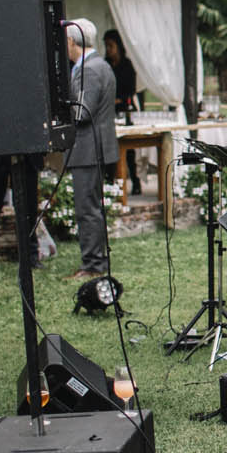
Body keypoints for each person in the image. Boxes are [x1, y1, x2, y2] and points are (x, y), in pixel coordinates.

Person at [63, 17, 118, 279]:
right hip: (94, 147)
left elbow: (82, 112)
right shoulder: (98, 65)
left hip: (88, 148)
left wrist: (62, 108)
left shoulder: (90, 69)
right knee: (91, 206)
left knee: (87, 208)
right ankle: (96, 259)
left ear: (72, 41)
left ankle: (93, 264)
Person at [102, 28, 142, 193]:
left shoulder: (127, 65)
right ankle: (111, 182)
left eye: (111, 46)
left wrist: (119, 100)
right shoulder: (106, 64)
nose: (109, 50)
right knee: (109, 147)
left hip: (124, 109)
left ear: (118, 46)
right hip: (108, 111)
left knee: (129, 150)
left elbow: (131, 91)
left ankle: (135, 180)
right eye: (107, 46)